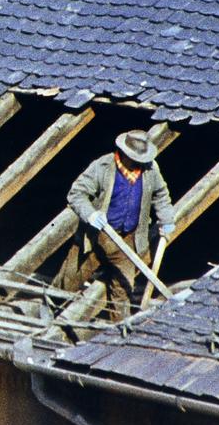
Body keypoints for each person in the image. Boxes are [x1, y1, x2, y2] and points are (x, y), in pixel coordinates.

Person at [63, 129, 176, 318]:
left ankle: (117, 328)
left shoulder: (150, 169)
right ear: (124, 153)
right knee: (70, 279)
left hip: (128, 239)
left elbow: (161, 195)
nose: (139, 162)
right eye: (135, 158)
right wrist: (91, 214)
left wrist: (167, 219)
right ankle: (50, 307)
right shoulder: (102, 166)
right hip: (98, 235)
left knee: (123, 288)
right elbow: (76, 194)